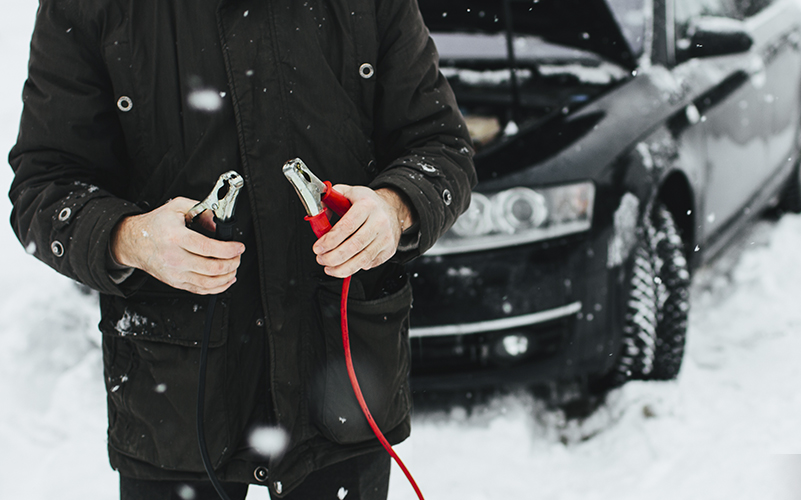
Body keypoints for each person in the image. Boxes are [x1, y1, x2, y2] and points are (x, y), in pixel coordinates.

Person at [8, 0, 476, 498]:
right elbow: (45, 187)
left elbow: (442, 147)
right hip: (177, 404)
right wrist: (130, 239)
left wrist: (394, 208)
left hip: (341, 389)